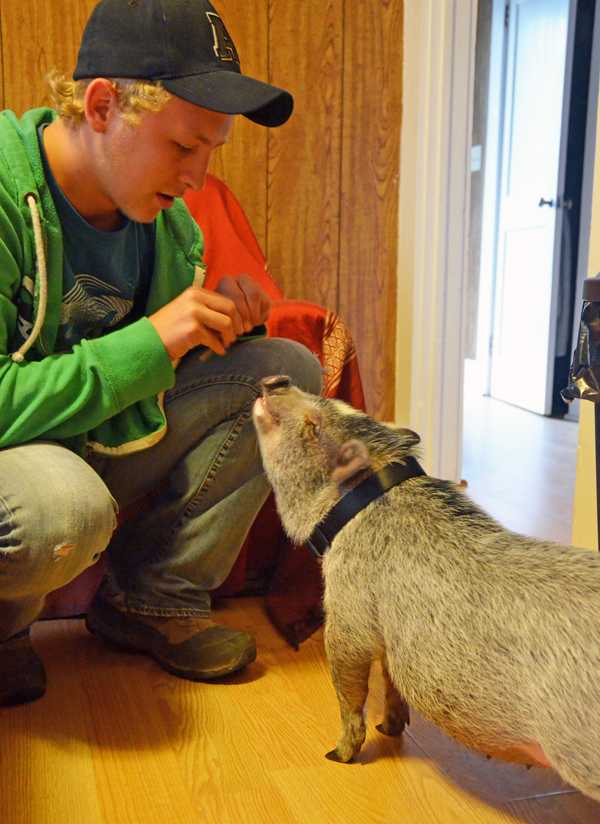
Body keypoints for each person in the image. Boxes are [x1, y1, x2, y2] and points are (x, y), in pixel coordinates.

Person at [0, 0, 322, 706]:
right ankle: (3, 631)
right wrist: (151, 340)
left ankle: (152, 598)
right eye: (183, 147)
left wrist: (216, 326)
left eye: (212, 151)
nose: (196, 180)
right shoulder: (2, 189)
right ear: (103, 104)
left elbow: (144, 383)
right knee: (64, 505)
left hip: (89, 447)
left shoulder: (167, 229)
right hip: (28, 474)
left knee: (285, 377)